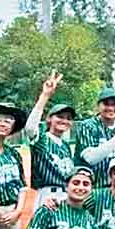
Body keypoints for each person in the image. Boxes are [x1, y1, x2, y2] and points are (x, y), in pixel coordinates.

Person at [24, 71, 76, 211]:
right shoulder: (42, 139)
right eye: (60, 116)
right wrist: (45, 95)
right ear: (49, 119)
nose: (64, 120)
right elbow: (30, 128)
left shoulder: (65, 145)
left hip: (66, 194)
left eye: (68, 118)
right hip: (47, 194)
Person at [73, 87, 115, 190]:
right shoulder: (88, 126)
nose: (111, 108)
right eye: (106, 104)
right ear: (98, 106)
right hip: (91, 189)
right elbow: (90, 158)